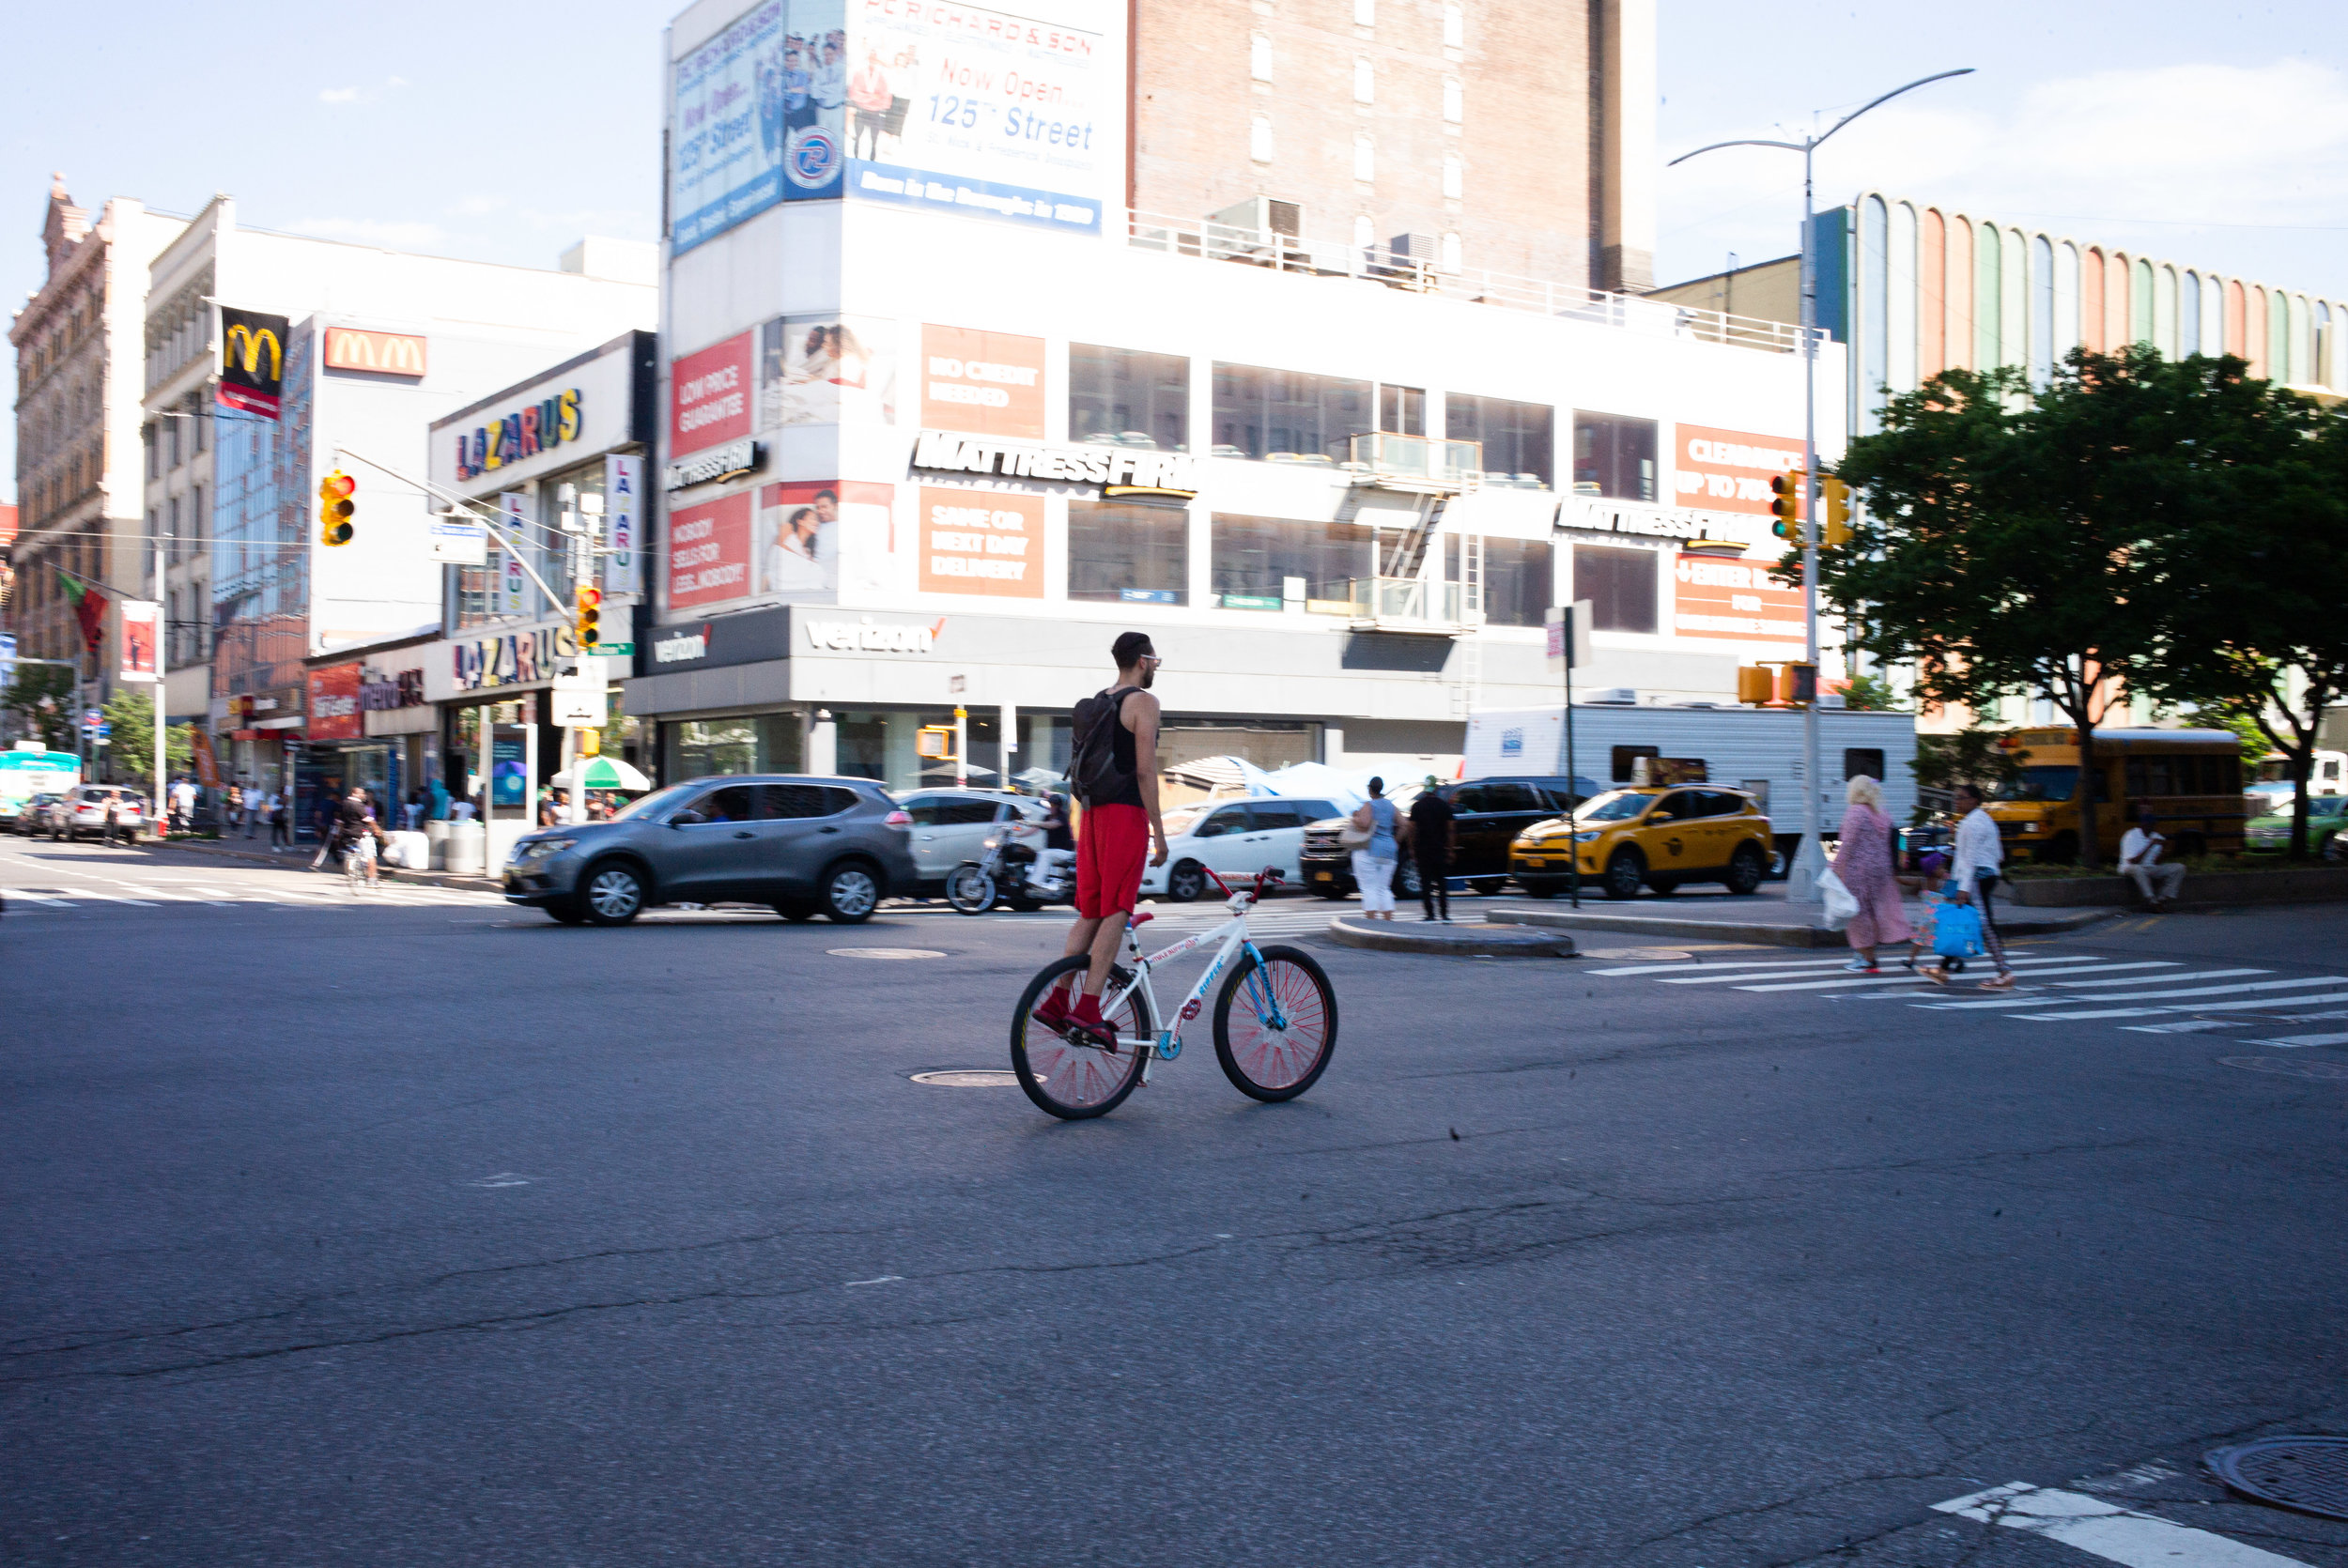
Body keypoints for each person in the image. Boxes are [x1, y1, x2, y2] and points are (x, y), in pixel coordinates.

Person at [1036, 632, 1167, 1046]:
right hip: (1125, 817)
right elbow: (1145, 772)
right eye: (1155, 661)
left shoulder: (1096, 703)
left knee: (1090, 911)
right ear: (1143, 661)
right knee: (1116, 909)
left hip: (1089, 817)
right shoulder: (1143, 703)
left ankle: (1058, 1000)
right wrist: (1159, 833)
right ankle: (1089, 1009)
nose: (1156, 669)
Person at [1926, 782, 2015, 990]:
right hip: (1986, 874)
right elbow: (1998, 853)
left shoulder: (1971, 824)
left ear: (1974, 800)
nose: (1957, 801)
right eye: (1956, 797)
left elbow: (1970, 858)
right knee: (1961, 921)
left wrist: (1964, 887)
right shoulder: (1984, 819)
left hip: (1975, 878)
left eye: (1961, 798)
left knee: (1984, 923)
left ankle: (2005, 971)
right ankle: (1943, 969)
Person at [1833, 776, 1912, 973]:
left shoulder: (1856, 812)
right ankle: (1865, 956)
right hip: (1881, 871)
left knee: (1859, 915)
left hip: (1858, 871)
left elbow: (1847, 844)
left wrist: (1833, 868)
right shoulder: (1882, 813)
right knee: (1873, 914)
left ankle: (1867, 959)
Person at [1350, 776, 1409, 921]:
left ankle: (1372, 922)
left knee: (1369, 888)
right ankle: (1388, 921)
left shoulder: (1368, 805)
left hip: (1369, 851)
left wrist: (1355, 817)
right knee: (1383, 888)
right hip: (1389, 852)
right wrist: (1396, 841)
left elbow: (1364, 823)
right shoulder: (1391, 806)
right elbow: (1404, 824)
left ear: (1370, 789)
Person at [1407, 775, 1456, 922]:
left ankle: (1429, 914)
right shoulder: (1444, 806)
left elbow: (1411, 829)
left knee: (1426, 883)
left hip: (1422, 850)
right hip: (1440, 849)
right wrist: (1451, 849)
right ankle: (1444, 913)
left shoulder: (1417, 806)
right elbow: (1451, 829)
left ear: (1425, 788)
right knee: (1441, 882)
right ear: (1436, 788)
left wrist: (1412, 849)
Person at [2120, 807, 2186, 910]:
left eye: (2153, 825)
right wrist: (2150, 845)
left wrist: (2165, 849)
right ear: (2143, 825)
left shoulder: (2155, 835)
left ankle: (2162, 899)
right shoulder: (2131, 835)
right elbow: (2134, 861)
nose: (2152, 828)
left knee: (2179, 868)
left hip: (2150, 867)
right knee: (2138, 869)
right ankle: (2151, 900)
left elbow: (2157, 861)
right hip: (2130, 867)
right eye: (2150, 825)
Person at [1029, 791, 1075, 896]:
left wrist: (1034, 822)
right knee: (1031, 853)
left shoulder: (1063, 816)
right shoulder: (1046, 817)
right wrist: (1016, 835)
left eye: (1053, 805)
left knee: (1044, 854)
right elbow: (1034, 830)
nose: (1051, 807)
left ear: (1058, 806)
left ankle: (1035, 883)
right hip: (1053, 851)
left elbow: (1052, 825)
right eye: (1050, 805)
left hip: (1065, 852)